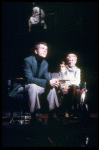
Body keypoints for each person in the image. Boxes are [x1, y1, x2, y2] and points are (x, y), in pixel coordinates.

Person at [8, 42, 60, 124]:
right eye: (42, 48)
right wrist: (47, 81)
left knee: (51, 87)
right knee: (33, 86)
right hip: (21, 86)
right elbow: (29, 79)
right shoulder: (27, 60)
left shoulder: (45, 63)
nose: (45, 51)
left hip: (34, 86)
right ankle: (33, 117)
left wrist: (52, 82)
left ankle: (51, 115)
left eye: (46, 49)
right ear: (36, 51)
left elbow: (46, 78)